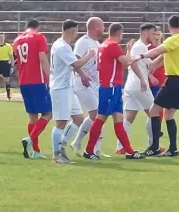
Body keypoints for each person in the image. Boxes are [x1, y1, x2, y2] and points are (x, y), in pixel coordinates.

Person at [83, 23, 145, 160]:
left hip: (113, 87)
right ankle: (88, 150)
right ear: (120, 34)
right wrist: (129, 51)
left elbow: (99, 66)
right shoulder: (112, 45)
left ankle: (129, 151)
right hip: (109, 87)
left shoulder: (103, 45)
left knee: (118, 120)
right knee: (101, 118)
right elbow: (126, 62)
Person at [134, 15, 179, 157]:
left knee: (154, 111)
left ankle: (154, 146)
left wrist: (141, 56)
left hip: (173, 80)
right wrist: (153, 65)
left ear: (168, 26)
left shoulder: (172, 40)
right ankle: (173, 149)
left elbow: (157, 51)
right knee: (169, 114)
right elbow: (165, 55)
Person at [50, 19, 96, 164]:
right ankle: (56, 156)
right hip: (60, 89)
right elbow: (76, 63)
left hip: (68, 87)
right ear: (72, 31)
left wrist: (82, 75)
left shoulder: (62, 45)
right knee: (61, 122)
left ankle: (62, 146)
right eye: (76, 31)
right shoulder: (62, 47)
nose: (76, 34)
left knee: (78, 118)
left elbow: (74, 66)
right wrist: (89, 55)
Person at [116, 23, 159, 155]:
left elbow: (146, 65)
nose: (154, 36)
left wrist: (150, 76)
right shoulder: (140, 46)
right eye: (153, 33)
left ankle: (121, 147)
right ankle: (153, 146)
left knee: (129, 117)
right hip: (139, 86)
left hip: (130, 86)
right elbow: (134, 63)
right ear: (145, 33)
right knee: (154, 114)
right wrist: (143, 78)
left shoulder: (140, 46)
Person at [12, 19, 52, 159]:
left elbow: (15, 61)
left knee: (32, 117)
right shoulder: (38, 37)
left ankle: (35, 151)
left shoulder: (17, 40)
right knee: (48, 113)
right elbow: (42, 58)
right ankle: (30, 139)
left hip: (24, 81)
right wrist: (50, 76)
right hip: (37, 80)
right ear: (37, 27)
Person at [68, 18, 107, 157]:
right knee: (97, 115)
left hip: (95, 85)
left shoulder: (96, 43)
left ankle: (90, 146)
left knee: (97, 115)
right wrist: (82, 74)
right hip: (82, 83)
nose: (104, 27)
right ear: (96, 27)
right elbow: (74, 61)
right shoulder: (83, 42)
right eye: (102, 25)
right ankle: (83, 145)